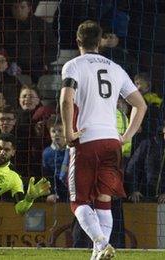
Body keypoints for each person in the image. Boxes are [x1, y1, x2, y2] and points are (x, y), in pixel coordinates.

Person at [59, 20, 147, 260]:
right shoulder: (116, 68)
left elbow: (66, 100)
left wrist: (68, 133)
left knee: (78, 202)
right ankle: (98, 254)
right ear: (100, 43)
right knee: (104, 201)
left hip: (87, 140)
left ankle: (100, 242)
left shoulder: (73, 65)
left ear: (78, 42)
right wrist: (126, 136)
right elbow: (140, 105)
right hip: (111, 142)